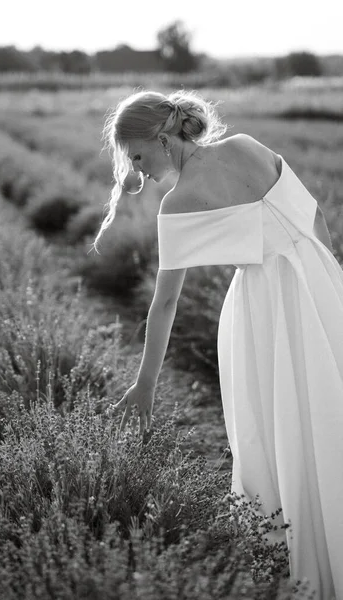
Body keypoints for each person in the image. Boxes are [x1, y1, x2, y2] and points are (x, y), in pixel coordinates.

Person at [93, 89, 342, 600]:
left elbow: (164, 305)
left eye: (138, 155)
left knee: (284, 423)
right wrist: (329, 284)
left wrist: (144, 386)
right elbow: (315, 219)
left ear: (163, 138)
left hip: (266, 305)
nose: (138, 173)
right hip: (321, 281)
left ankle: (304, 555)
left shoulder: (179, 203)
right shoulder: (249, 146)